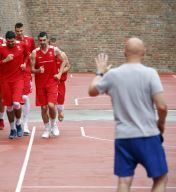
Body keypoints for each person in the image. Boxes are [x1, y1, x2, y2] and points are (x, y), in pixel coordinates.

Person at [88, 37, 168, 192]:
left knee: (124, 182)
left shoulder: (113, 75)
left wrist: (100, 72)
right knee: (161, 178)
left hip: (123, 136)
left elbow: (92, 90)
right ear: (144, 52)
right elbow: (162, 106)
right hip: (148, 135)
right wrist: (161, 124)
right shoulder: (150, 74)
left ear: (124, 52)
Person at [30, 32, 66, 139]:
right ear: (38, 41)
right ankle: (46, 129)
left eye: (44, 40)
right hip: (40, 84)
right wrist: (38, 70)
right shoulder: (34, 53)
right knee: (43, 108)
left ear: (47, 40)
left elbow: (64, 60)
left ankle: (54, 125)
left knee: (51, 105)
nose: (42, 42)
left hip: (52, 82)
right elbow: (31, 69)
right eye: (40, 40)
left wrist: (59, 74)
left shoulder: (54, 50)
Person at [0, 31, 29, 139]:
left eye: (12, 41)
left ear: (15, 39)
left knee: (16, 103)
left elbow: (28, 55)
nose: (11, 43)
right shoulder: (1, 48)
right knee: (9, 106)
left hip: (18, 79)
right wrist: (5, 60)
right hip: (5, 81)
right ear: (6, 40)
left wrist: (25, 63)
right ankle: (12, 128)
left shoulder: (22, 45)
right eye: (8, 42)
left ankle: (18, 123)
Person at [15, 22, 36, 136]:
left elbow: (32, 54)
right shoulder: (12, 41)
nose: (19, 33)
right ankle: (16, 123)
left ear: (23, 30)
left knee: (25, 97)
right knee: (16, 100)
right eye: (17, 31)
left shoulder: (30, 40)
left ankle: (25, 123)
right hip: (15, 73)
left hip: (26, 72)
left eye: (21, 31)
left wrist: (30, 67)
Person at [49, 37, 71, 122]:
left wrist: (60, 72)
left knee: (60, 99)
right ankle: (52, 122)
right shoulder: (47, 54)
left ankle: (60, 110)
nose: (53, 48)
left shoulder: (62, 54)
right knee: (51, 101)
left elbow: (68, 66)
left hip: (60, 80)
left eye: (55, 46)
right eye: (51, 46)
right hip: (50, 81)